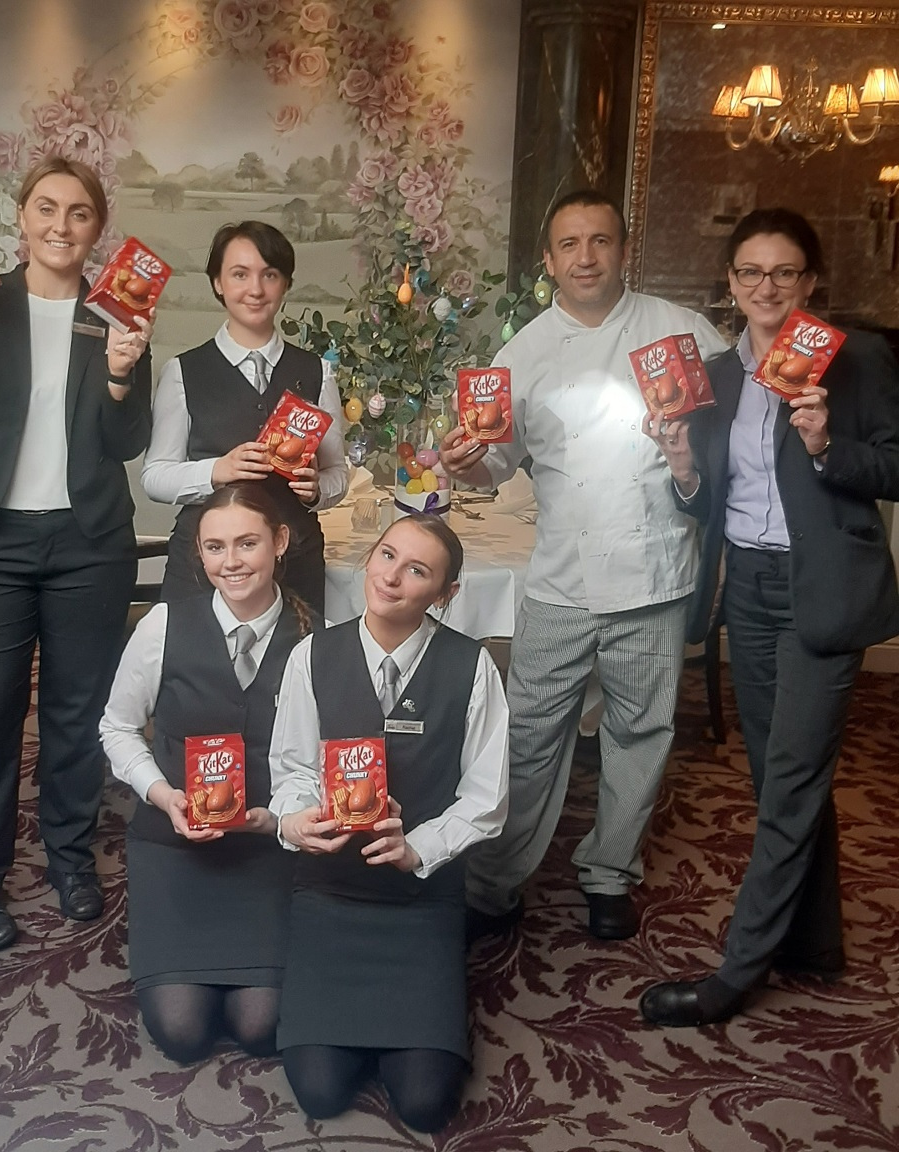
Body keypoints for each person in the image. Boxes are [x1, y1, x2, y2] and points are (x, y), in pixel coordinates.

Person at [440, 189, 728, 942]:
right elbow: (494, 468)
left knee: (641, 731)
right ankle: (496, 884)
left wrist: (695, 463)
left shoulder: (683, 332)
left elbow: (731, 441)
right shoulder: (522, 352)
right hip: (562, 577)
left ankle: (609, 876)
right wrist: (464, 463)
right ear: (549, 260)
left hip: (654, 572)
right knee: (530, 733)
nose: (587, 257)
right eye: (570, 245)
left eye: (601, 241)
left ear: (624, 250)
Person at [639, 208, 899, 1026]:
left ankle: (735, 974)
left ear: (810, 282)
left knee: (789, 779)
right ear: (730, 285)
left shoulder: (859, 361)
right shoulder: (712, 375)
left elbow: (893, 465)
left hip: (821, 589)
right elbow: (705, 501)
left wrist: (826, 444)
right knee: (777, 776)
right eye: (751, 273)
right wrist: (682, 463)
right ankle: (815, 941)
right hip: (745, 589)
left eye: (784, 273)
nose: (766, 287)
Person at [0, 156, 153, 951]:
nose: (60, 224)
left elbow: (129, 441)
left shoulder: (117, 313)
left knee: (77, 716)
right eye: (46, 207)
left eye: (79, 212)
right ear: (20, 218)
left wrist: (121, 377)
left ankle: (70, 860)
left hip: (89, 542)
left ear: (95, 229)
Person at [268, 515, 509, 1133]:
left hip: (420, 900)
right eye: (386, 556)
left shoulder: (470, 666)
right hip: (328, 892)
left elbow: (487, 799)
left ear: (447, 593)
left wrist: (419, 847)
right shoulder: (313, 654)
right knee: (320, 1091)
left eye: (417, 570)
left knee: (427, 1102)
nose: (392, 578)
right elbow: (292, 765)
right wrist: (298, 818)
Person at [101, 483, 315, 1061]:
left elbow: (329, 754)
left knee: (259, 1028)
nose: (232, 562)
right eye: (215, 547)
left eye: (247, 543)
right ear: (199, 552)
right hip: (175, 846)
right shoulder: (163, 625)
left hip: (269, 848)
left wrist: (281, 820)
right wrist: (163, 794)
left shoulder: (317, 637)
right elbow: (117, 729)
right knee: (182, 1032)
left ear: (280, 542)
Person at [141, 220, 347, 612]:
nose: (255, 289)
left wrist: (317, 490)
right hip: (205, 564)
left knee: (294, 670)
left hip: (295, 560)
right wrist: (217, 470)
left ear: (285, 284)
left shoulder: (319, 372)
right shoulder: (182, 371)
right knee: (195, 669)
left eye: (269, 275)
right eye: (240, 274)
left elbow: (337, 474)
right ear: (218, 282)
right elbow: (155, 476)